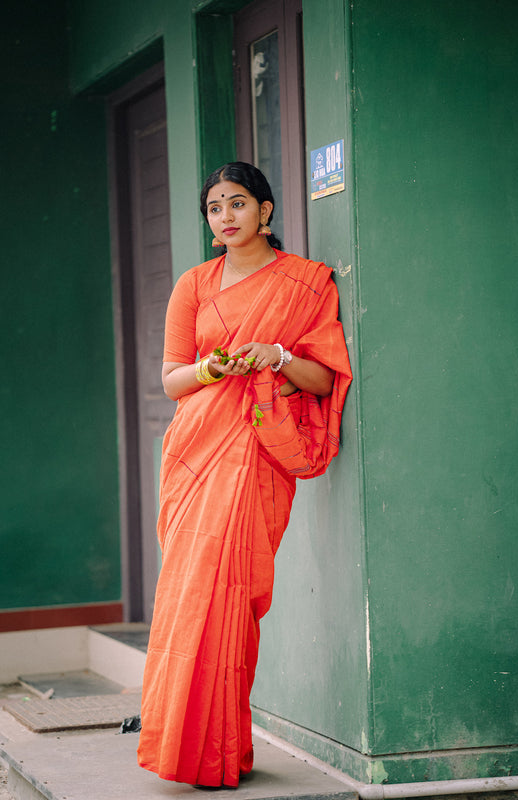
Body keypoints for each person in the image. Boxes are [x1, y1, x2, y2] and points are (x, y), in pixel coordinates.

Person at [137, 162, 352, 788]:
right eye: (214, 208)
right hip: (196, 452)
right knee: (187, 597)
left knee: (230, 597)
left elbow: (325, 377)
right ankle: (185, 746)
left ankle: (219, 751)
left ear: (266, 211)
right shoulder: (194, 285)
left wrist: (280, 356)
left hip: (255, 451)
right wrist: (215, 368)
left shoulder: (307, 285)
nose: (225, 216)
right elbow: (173, 378)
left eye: (237, 203)